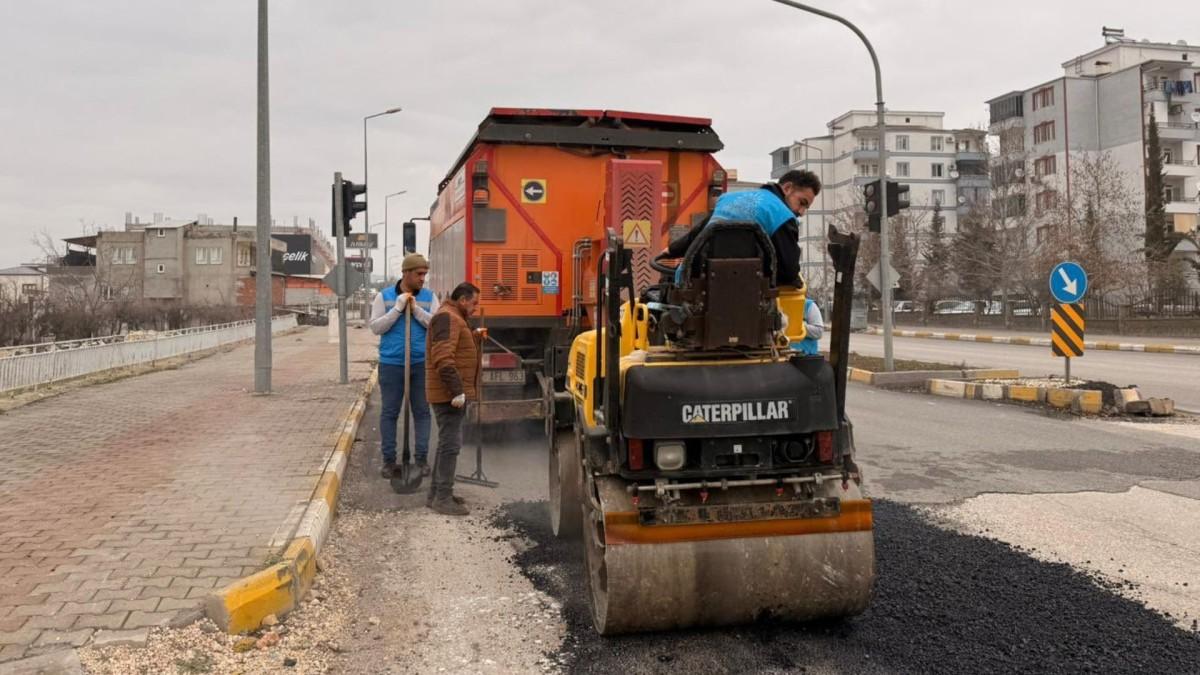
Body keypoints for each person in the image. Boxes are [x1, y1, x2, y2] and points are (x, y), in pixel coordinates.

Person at [672, 170, 821, 288]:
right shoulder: (782, 215)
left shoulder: (727, 199)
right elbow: (788, 271)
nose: (801, 212)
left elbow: (700, 232)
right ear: (787, 188)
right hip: (745, 291)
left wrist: (671, 250)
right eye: (802, 203)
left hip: (693, 280)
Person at [369, 253, 439, 479]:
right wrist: (397, 309)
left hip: (420, 363)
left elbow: (435, 326)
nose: (422, 279)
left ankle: (421, 459)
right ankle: (389, 461)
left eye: (425, 274)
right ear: (406, 273)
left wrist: (417, 310)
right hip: (392, 364)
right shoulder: (384, 297)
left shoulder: (429, 297)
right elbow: (376, 327)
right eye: (419, 274)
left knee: (422, 412)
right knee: (390, 411)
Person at [424, 282, 482, 516]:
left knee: (446, 443)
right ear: (463, 300)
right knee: (450, 445)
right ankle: (442, 498)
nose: (476, 308)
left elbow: (455, 349)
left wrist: (474, 337)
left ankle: (436, 494)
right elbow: (443, 358)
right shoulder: (447, 318)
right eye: (474, 303)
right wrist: (457, 390)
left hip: (450, 393)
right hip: (448, 395)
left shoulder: (454, 318)